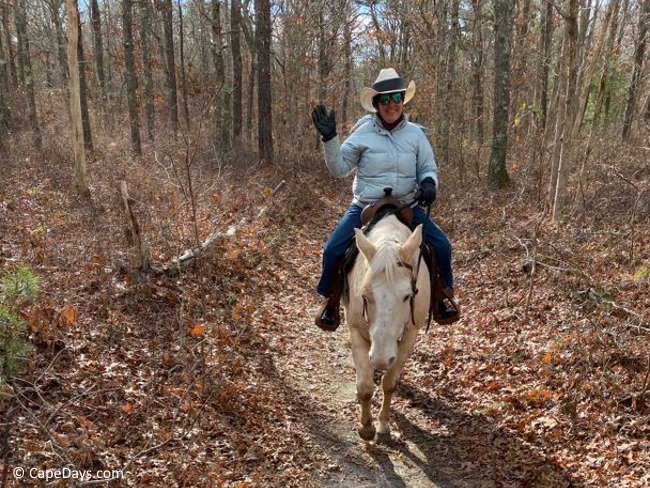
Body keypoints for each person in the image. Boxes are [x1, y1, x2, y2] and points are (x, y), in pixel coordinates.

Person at [311, 68, 459, 331]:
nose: (392, 105)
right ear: (377, 104)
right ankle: (331, 301)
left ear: (403, 101)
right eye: (386, 100)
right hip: (366, 205)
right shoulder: (363, 132)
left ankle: (442, 298)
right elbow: (339, 168)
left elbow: (427, 167)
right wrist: (330, 139)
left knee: (443, 247)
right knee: (333, 249)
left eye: (396, 99)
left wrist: (428, 183)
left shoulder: (416, 135)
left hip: (406, 206)